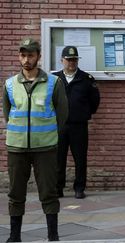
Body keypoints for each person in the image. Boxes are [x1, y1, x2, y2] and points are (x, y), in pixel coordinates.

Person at [3, 37, 68, 242]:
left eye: (30, 55)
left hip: (45, 147)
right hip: (16, 147)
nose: (26, 59)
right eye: (23, 55)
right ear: (19, 57)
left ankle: (53, 235)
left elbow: (62, 113)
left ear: (38, 57)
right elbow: (8, 114)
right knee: (15, 193)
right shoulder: (10, 84)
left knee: (49, 191)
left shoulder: (53, 82)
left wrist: (46, 134)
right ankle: (14, 236)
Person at [54, 46, 100, 199]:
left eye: (74, 59)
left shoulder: (86, 79)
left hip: (79, 125)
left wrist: (84, 114)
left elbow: (95, 101)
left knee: (80, 158)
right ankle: (58, 188)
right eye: (68, 59)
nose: (71, 62)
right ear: (62, 60)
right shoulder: (54, 79)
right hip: (59, 125)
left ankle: (79, 188)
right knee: (58, 158)